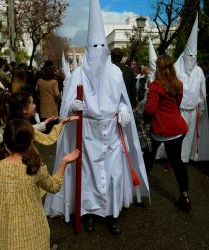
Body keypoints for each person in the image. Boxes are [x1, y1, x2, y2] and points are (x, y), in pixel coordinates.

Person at [45, 0, 150, 235]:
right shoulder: (77, 75)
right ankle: (89, 213)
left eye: (100, 45)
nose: (97, 49)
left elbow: (123, 100)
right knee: (89, 176)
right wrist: (72, 105)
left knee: (113, 175)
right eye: (93, 45)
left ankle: (112, 214)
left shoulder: (115, 73)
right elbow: (66, 106)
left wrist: (123, 111)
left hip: (111, 133)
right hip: (86, 134)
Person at [0, 118, 79, 249]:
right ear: (30, 141)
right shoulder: (35, 167)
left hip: (6, 234)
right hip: (34, 231)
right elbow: (54, 186)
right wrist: (63, 163)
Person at [143, 55, 190, 212]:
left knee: (148, 159)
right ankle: (185, 196)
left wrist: (144, 117)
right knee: (177, 163)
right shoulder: (178, 84)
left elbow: (150, 109)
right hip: (177, 127)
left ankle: (141, 190)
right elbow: (177, 103)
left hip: (161, 128)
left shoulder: (156, 85)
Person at [173, 14, 209, 163]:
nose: (191, 57)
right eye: (189, 54)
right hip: (178, 109)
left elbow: (201, 91)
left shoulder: (199, 71)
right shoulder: (176, 69)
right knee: (177, 134)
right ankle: (174, 157)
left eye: (194, 55)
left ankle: (185, 157)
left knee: (189, 135)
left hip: (193, 110)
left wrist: (201, 107)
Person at [35, 62, 61, 133]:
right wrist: (58, 99)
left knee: (45, 126)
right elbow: (57, 94)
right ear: (52, 72)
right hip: (52, 107)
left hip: (43, 107)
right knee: (52, 128)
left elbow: (36, 89)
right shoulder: (54, 82)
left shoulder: (40, 80)